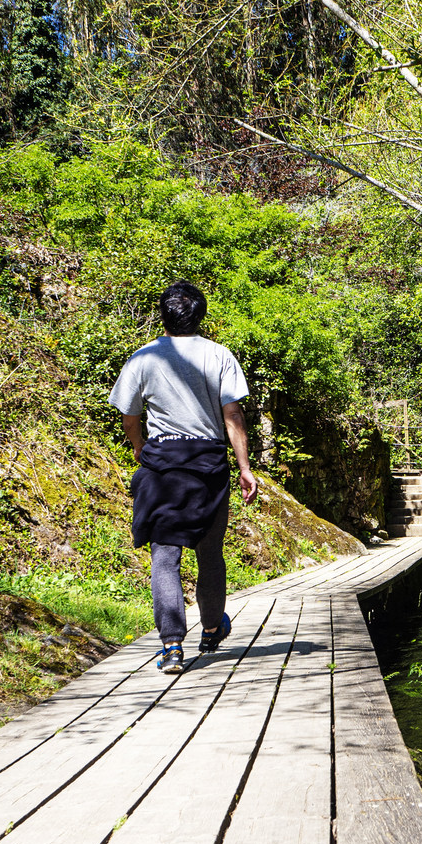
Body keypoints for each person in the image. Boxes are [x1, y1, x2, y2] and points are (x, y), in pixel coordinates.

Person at [109, 281, 259, 674]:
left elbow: (129, 415)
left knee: (165, 556)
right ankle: (211, 630)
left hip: (162, 465)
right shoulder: (219, 355)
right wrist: (244, 468)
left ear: (164, 315)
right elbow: (233, 416)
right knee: (209, 553)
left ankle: (172, 646)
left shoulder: (143, 358)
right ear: (201, 315)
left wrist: (139, 446)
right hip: (208, 463)